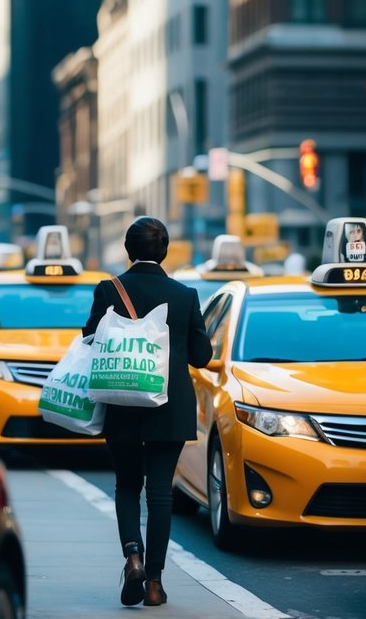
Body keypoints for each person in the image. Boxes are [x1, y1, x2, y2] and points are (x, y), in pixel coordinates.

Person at [83, 216, 212, 608]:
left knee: (126, 485)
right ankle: (154, 581)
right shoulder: (185, 295)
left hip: (121, 405)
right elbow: (203, 358)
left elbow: (89, 337)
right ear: (165, 250)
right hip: (168, 410)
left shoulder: (109, 290)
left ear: (127, 249)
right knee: (160, 495)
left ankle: (133, 557)